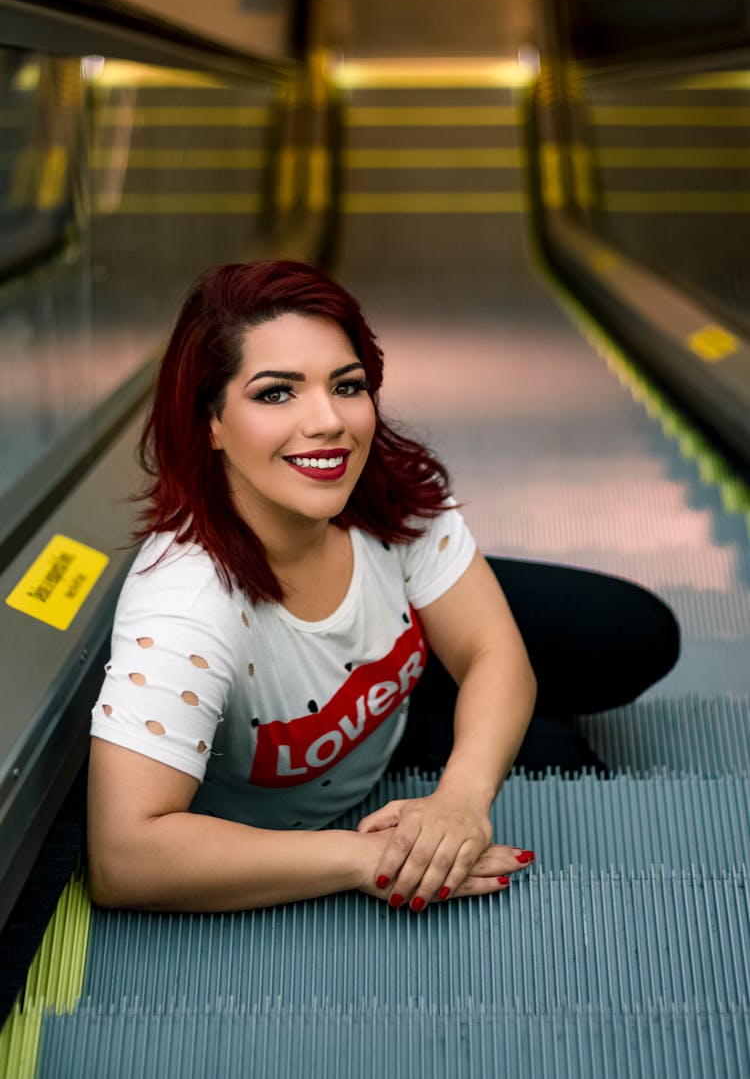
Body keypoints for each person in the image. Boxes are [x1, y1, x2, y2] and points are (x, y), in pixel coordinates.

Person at [87, 260, 679, 915]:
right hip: (306, 810)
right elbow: (124, 858)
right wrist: (367, 858)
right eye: (277, 393)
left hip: (395, 701)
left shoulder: (385, 492)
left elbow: (491, 649)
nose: (329, 422)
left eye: (347, 385)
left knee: (636, 631)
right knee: (567, 757)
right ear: (211, 423)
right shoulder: (186, 608)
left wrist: (461, 796)